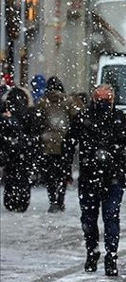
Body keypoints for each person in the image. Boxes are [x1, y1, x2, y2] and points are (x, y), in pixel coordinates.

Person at [65, 85, 126, 276]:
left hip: (110, 177)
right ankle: (94, 252)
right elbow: (68, 144)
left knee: (109, 217)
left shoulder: (119, 120)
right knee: (92, 218)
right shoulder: (85, 119)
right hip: (92, 176)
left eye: (107, 99)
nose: (104, 103)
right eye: (101, 99)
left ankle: (110, 255)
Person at [33, 77, 79, 212]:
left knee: (50, 175)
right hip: (65, 143)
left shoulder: (43, 101)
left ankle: (52, 200)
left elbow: (38, 121)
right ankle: (61, 199)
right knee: (63, 173)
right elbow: (75, 119)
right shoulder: (68, 101)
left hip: (48, 143)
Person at [0, 87, 39, 212]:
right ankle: (21, 201)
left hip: (11, 148)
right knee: (23, 176)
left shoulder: (7, 114)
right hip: (24, 149)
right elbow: (34, 129)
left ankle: (11, 200)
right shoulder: (29, 112)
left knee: (11, 175)